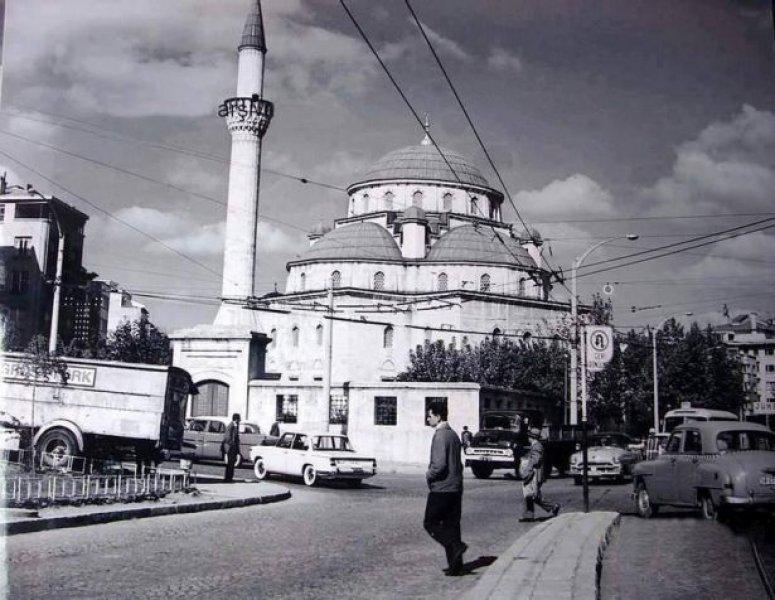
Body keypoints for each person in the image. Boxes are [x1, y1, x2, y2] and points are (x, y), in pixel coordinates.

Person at [423, 401, 468, 576]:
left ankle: (456, 546)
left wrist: (429, 475)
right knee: (452, 525)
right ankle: (456, 566)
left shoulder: (440, 435)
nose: (427, 419)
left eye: (429, 415)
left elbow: (439, 465)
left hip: (442, 488)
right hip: (455, 487)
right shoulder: (454, 434)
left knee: (430, 522)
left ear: (438, 416)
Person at [519, 427, 560, 522]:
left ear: (532, 437)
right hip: (534, 473)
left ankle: (553, 506)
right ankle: (528, 515)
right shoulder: (536, 446)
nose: (528, 438)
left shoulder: (537, 446)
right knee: (529, 494)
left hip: (535, 474)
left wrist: (527, 468)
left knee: (533, 495)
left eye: (529, 436)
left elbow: (535, 460)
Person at [223, 413, 241, 483]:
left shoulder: (235, 426)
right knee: (230, 463)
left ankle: (230, 477)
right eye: (239, 419)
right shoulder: (231, 426)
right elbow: (227, 437)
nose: (239, 421)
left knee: (232, 463)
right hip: (230, 447)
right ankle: (228, 478)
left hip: (233, 447)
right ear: (236, 419)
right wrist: (232, 444)